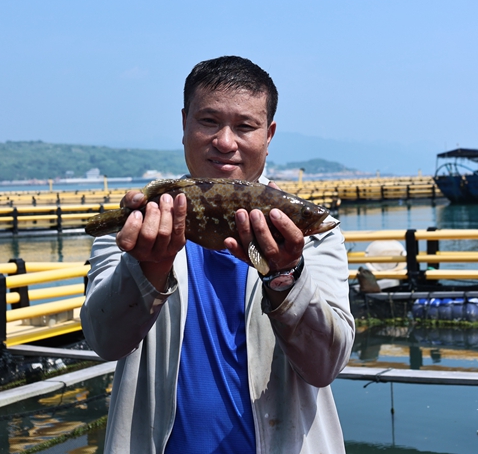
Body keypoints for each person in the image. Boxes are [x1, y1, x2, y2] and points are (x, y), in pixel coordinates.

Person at [80, 55, 354, 454]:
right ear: (184, 123)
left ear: (269, 133)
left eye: (245, 126)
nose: (225, 142)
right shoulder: (138, 228)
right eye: (209, 122)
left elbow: (324, 365)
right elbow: (105, 340)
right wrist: (146, 267)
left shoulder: (309, 238)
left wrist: (287, 277)